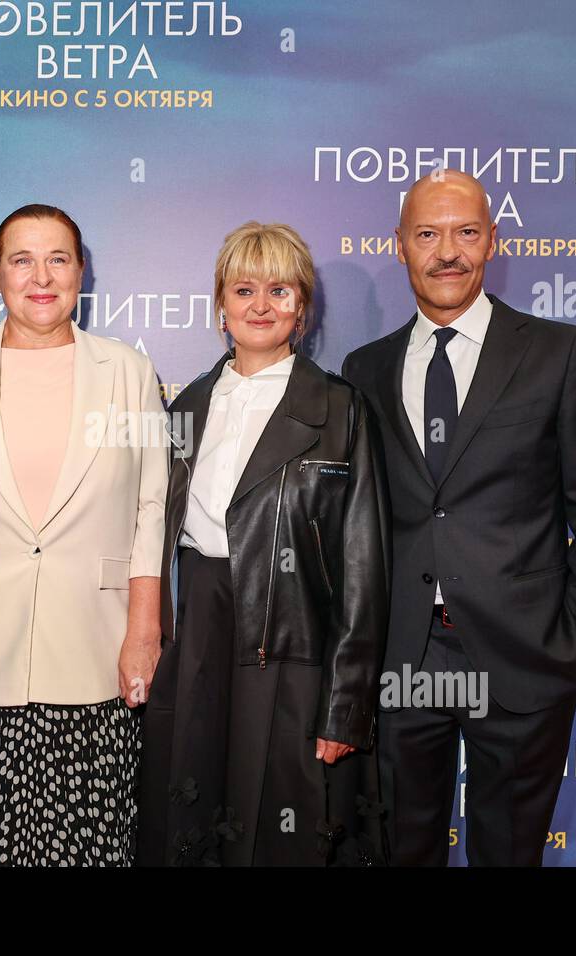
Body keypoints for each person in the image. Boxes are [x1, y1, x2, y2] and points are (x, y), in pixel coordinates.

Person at [341, 170, 576, 866]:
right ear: (401, 246)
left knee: (509, 855)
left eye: (466, 232)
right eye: (428, 234)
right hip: (403, 657)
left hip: (524, 656)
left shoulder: (562, 354)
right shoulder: (365, 369)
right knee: (398, 853)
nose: (449, 251)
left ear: (492, 241)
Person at [0, 204, 168, 866]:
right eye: (22, 259)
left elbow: (149, 509)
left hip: (94, 658)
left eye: (58, 259)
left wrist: (142, 632)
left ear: (82, 272)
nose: (40, 277)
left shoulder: (127, 372)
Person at [137, 222, 389, 866]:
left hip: (295, 649)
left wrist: (346, 704)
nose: (260, 306)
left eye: (279, 290)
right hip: (199, 640)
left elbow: (364, 568)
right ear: (220, 305)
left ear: (301, 305)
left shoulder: (340, 409)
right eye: (243, 289)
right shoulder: (185, 407)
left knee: (283, 835)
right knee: (192, 824)